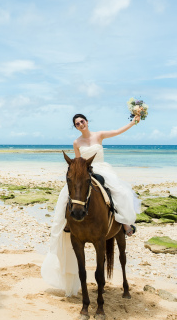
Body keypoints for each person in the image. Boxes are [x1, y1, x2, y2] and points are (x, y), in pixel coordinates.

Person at [41, 113, 142, 296]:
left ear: (87, 122)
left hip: (102, 169)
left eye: (82, 121)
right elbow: (78, 162)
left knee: (117, 191)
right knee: (66, 196)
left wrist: (133, 122)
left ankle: (124, 222)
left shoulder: (99, 135)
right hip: (85, 172)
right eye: (77, 124)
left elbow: (118, 131)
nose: (80, 124)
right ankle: (66, 224)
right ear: (76, 126)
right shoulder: (76, 142)